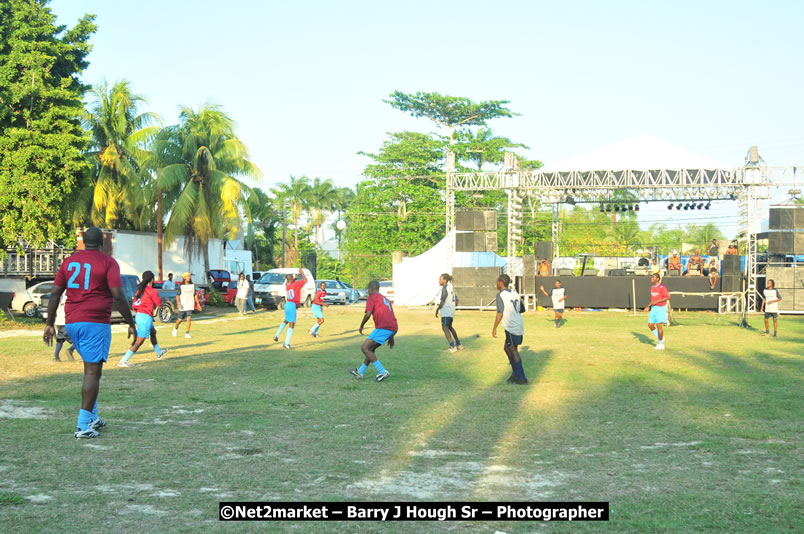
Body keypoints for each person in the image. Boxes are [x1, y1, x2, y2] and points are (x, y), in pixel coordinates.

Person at [43, 226, 136, 439]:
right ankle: (83, 425)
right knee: (92, 373)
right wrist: (131, 322)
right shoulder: (108, 262)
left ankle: (92, 416)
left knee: (93, 371)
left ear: (83, 242)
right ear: (103, 243)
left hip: (73, 321)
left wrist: (49, 323)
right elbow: (118, 296)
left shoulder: (69, 262)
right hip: (95, 321)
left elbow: (55, 293)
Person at [349, 280, 396, 382]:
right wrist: (391, 336)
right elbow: (390, 315)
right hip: (392, 327)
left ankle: (382, 372)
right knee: (370, 349)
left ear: (370, 289)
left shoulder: (372, 297)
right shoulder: (385, 299)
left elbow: (368, 314)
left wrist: (361, 326)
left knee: (365, 348)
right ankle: (360, 372)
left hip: (383, 327)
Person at [119, 270, 169, 367]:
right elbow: (159, 305)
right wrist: (163, 301)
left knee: (153, 332)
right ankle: (123, 360)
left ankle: (159, 353)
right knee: (139, 341)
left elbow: (134, 305)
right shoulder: (152, 291)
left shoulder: (140, 290)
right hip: (145, 317)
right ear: (152, 279)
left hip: (140, 315)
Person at [492, 274, 528, 385]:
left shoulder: (500, 295)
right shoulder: (514, 293)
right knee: (507, 348)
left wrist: (494, 328)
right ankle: (515, 374)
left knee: (512, 349)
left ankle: (521, 377)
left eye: (497, 282)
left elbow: (500, 313)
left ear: (501, 282)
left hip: (511, 325)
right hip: (518, 323)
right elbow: (522, 309)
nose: (496, 284)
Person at [273, 268, 306, 349]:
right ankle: (286, 343)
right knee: (292, 323)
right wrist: (302, 273)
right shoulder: (296, 284)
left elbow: (292, 282)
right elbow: (305, 280)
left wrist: (295, 279)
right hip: (292, 305)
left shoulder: (288, 286)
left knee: (286, 320)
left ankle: (276, 335)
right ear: (291, 278)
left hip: (288, 304)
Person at [435, 273, 462, 352]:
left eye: (440, 279)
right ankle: (459, 344)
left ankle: (452, 346)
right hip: (451, 310)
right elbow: (456, 301)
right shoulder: (451, 288)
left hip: (446, 311)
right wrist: (452, 306)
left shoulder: (445, 288)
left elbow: (442, 301)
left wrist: (437, 309)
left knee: (444, 327)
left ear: (445, 280)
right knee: (449, 326)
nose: (439, 280)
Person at [643, 273, 670, 350]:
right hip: (654, 308)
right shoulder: (652, 287)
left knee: (659, 326)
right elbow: (653, 300)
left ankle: (661, 344)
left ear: (657, 279)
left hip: (661, 308)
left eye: (653, 277)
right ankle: (661, 338)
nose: (651, 278)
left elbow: (667, 297)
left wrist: (657, 301)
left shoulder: (662, 287)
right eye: (651, 277)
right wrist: (648, 306)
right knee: (650, 325)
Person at [173, 272, 200, 339]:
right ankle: (175, 328)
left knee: (189, 319)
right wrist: (178, 303)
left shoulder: (192, 286)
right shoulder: (181, 286)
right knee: (179, 320)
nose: (189, 277)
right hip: (183, 305)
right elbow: (178, 295)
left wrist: (198, 304)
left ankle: (187, 333)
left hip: (190, 305)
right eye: (187, 276)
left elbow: (195, 295)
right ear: (184, 277)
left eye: (189, 276)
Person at [53, 292, 76, 362]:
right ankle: (70, 350)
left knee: (60, 339)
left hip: (58, 321)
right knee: (79, 340)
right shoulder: (70, 296)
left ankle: (55, 356)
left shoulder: (59, 295)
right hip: (66, 321)